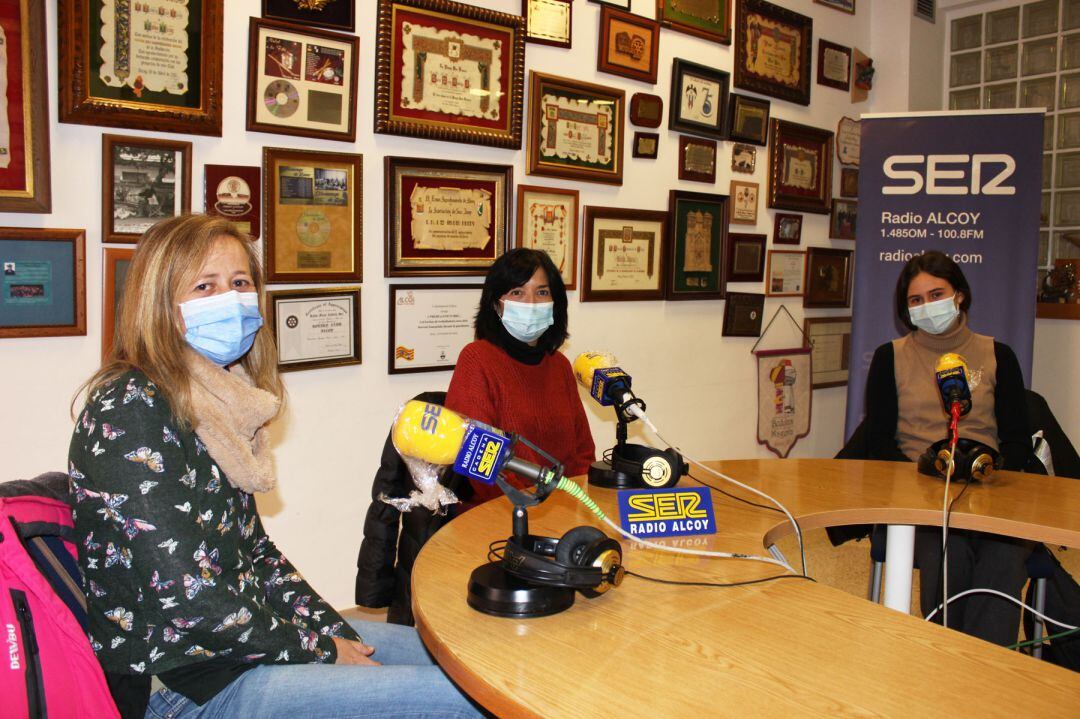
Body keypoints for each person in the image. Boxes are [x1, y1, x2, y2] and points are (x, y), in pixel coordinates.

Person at [68, 214, 481, 718]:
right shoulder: (131, 406)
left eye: (241, 283)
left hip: (242, 648)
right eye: (205, 286)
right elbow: (188, 596)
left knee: (469, 666)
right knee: (463, 702)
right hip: (183, 685)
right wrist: (323, 651)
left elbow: (257, 555)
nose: (231, 299)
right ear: (160, 305)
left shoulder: (216, 402)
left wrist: (330, 631)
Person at [863, 250, 1036, 646]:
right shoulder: (891, 358)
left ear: (959, 295)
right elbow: (878, 445)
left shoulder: (998, 355)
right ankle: (948, 655)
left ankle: (983, 663)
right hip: (920, 495)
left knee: (1004, 555)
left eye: (936, 294)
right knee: (949, 552)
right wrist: (926, 474)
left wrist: (988, 473)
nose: (927, 306)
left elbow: (1017, 441)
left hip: (990, 489)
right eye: (916, 299)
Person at [445, 248, 595, 510]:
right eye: (517, 292)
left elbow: (582, 453)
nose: (531, 303)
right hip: (497, 512)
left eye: (542, 292)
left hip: (563, 508)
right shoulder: (477, 359)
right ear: (496, 304)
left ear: (555, 302)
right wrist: (533, 505)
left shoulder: (559, 365)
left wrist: (575, 502)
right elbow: (479, 464)